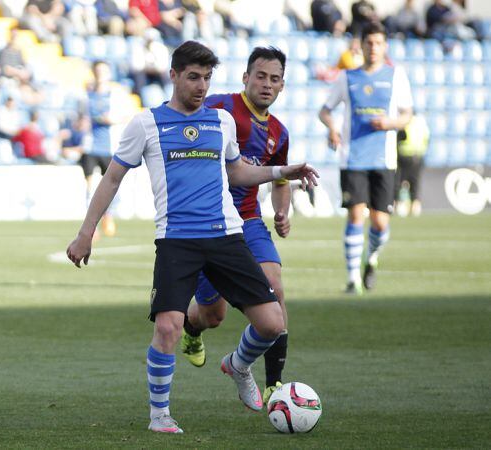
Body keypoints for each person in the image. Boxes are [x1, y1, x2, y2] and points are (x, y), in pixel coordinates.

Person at [66, 41, 318, 434]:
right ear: (173, 75)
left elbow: (237, 174)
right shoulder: (145, 123)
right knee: (168, 327)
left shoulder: (221, 122)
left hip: (225, 235)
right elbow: (112, 177)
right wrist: (86, 234)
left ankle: (236, 365)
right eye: (193, 77)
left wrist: (283, 171)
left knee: (272, 323)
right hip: (176, 240)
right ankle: (159, 414)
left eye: (207, 78)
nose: (201, 86)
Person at [179, 46, 293, 406]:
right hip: (206, 223)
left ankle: (267, 380)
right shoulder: (221, 106)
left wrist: (282, 212)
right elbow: (184, 124)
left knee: (274, 285)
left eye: (274, 79)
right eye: (260, 76)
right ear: (246, 77)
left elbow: (279, 180)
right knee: (212, 315)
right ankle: (191, 328)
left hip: (247, 220)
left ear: (282, 86)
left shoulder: (279, 132)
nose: (266, 84)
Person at [318, 22, 413, 295]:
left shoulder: (397, 77)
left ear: (385, 47)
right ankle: (352, 280)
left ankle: (371, 260)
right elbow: (325, 111)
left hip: (384, 159)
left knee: (380, 223)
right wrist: (333, 128)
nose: (373, 48)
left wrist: (390, 122)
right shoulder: (347, 78)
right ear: (361, 45)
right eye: (369, 43)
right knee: (355, 216)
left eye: (378, 43)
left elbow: (407, 115)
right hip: (353, 158)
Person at [84, 60, 120, 237]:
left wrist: (113, 119)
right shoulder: (87, 95)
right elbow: (80, 119)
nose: (100, 74)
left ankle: (108, 215)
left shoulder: (115, 95)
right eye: (97, 71)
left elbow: (126, 115)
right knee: (90, 187)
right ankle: (91, 226)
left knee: (110, 186)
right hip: (90, 147)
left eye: (103, 71)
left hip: (110, 147)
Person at [395, 113, 429, 217]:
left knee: (400, 182)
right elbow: (426, 139)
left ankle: (398, 206)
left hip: (404, 156)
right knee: (415, 183)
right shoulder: (421, 123)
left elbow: (400, 137)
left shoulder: (405, 122)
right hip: (418, 156)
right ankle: (415, 207)